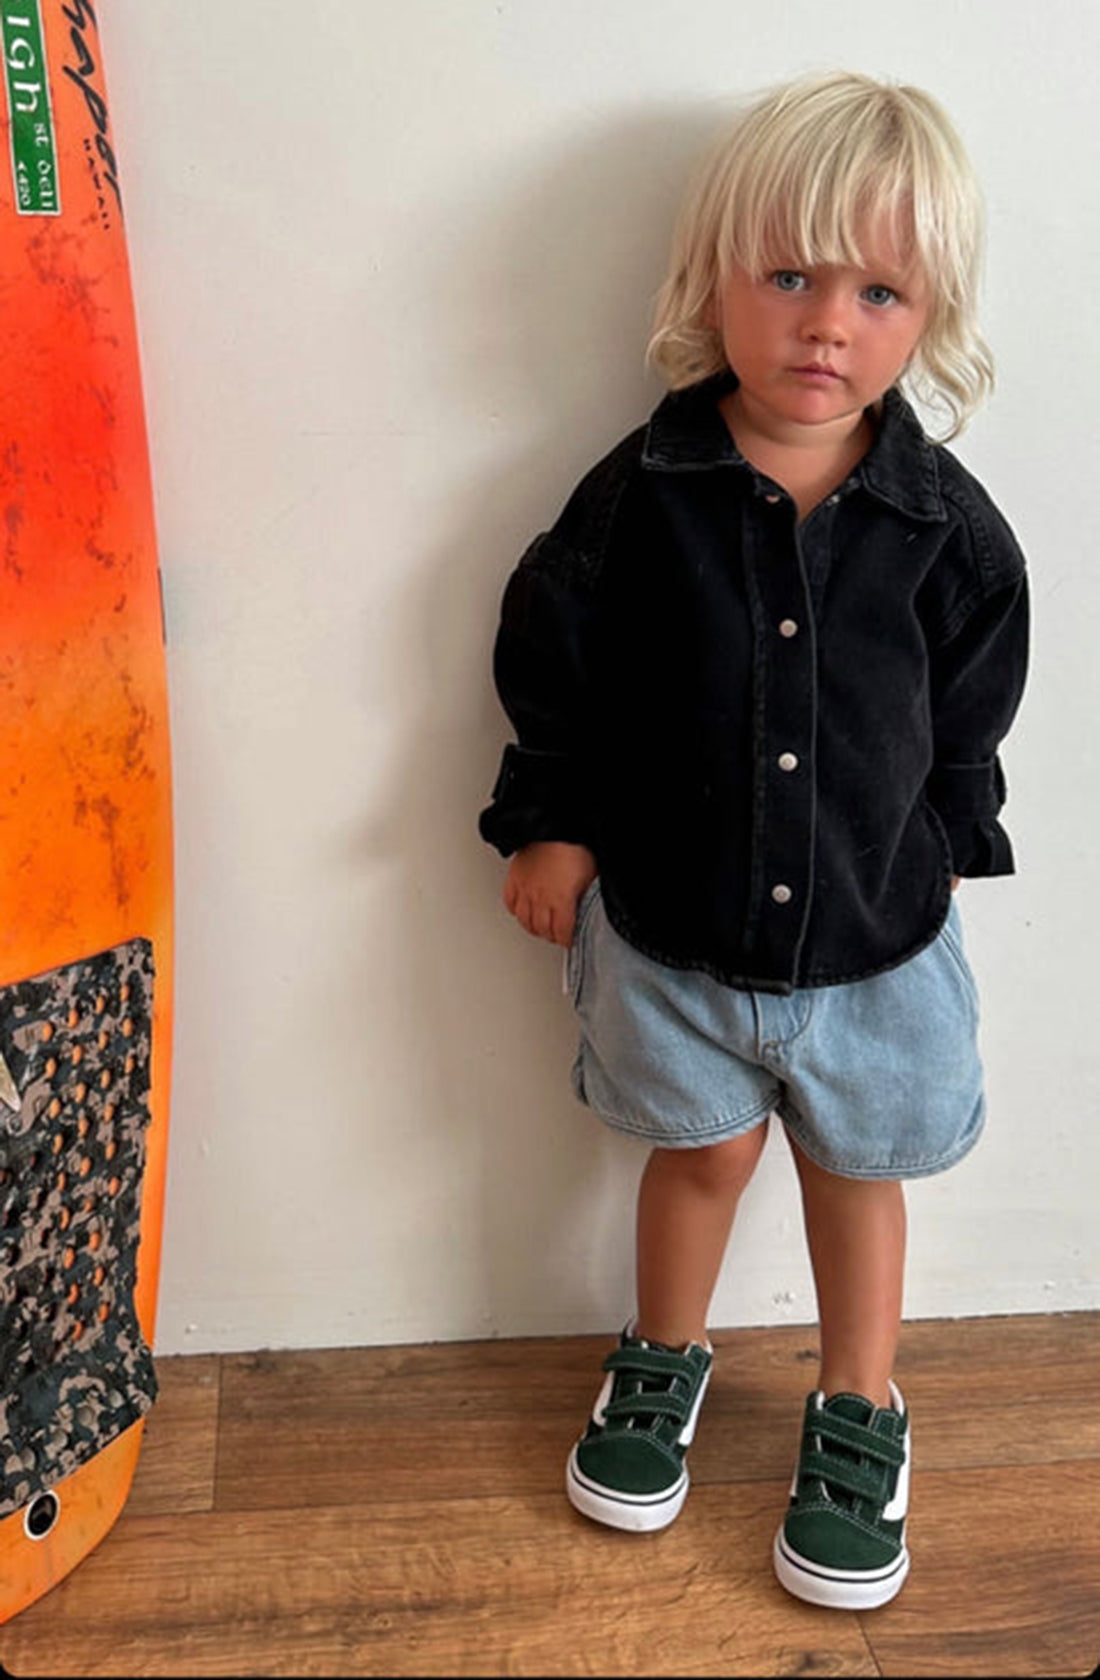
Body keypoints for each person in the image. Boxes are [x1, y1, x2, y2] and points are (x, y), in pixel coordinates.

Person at [478, 70, 1029, 1610]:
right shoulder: (637, 498)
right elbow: (556, 661)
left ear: (929, 314)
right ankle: (665, 1353)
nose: (825, 324)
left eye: (877, 289)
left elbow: (973, 696)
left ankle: (861, 1402)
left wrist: (948, 836)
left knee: (860, 1166)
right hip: (671, 925)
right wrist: (551, 827)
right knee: (704, 1147)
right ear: (712, 283)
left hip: (875, 933)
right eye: (787, 276)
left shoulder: (947, 527)